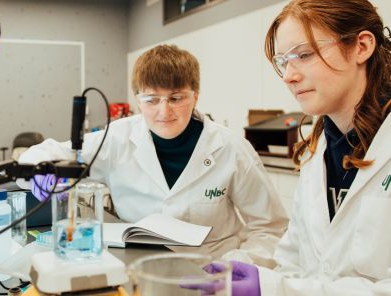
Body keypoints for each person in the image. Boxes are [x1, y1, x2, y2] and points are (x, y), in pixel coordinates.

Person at [18, 44, 288, 266]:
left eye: (176, 98)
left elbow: (270, 228)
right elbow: (43, 152)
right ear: (138, 99)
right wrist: (40, 171)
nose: (164, 112)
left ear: (196, 95)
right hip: (138, 269)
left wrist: (236, 264)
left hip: (212, 273)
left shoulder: (231, 147)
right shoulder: (115, 138)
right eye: (151, 100)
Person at [190, 0, 391, 295]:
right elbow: (294, 260)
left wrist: (279, 289)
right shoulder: (316, 152)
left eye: (305, 54)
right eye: (284, 61)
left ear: (361, 46)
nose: (288, 76)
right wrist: (259, 275)